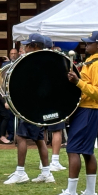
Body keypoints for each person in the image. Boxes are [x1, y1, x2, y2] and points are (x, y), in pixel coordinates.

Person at [51, 31, 98, 195]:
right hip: (85, 110)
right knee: (86, 152)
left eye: (90, 43)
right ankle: (90, 194)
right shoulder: (92, 62)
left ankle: (71, 192)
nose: (86, 45)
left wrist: (77, 82)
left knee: (73, 150)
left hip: (88, 110)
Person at [4, 34, 54, 185]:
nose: (24, 48)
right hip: (40, 106)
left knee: (20, 137)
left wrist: (15, 101)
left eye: (27, 45)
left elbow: (29, 85)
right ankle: (46, 173)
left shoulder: (34, 61)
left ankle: (21, 172)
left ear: (35, 46)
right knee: (39, 139)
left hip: (32, 107)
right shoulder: (46, 60)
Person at [42, 36, 66, 171]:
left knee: (42, 129)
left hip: (41, 100)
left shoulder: (35, 60)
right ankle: (54, 161)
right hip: (55, 100)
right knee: (56, 130)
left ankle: (43, 160)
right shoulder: (58, 59)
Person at [0, 48, 18, 144]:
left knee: (6, 116)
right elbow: (0, 82)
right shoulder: (4, 66)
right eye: (11, 53)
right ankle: (6, 136)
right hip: (3, 95)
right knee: (6, 116)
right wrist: (4, 100)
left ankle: (2, 136)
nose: (13, 55)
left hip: (11, 94)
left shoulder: (18, 63)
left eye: (15, 53)